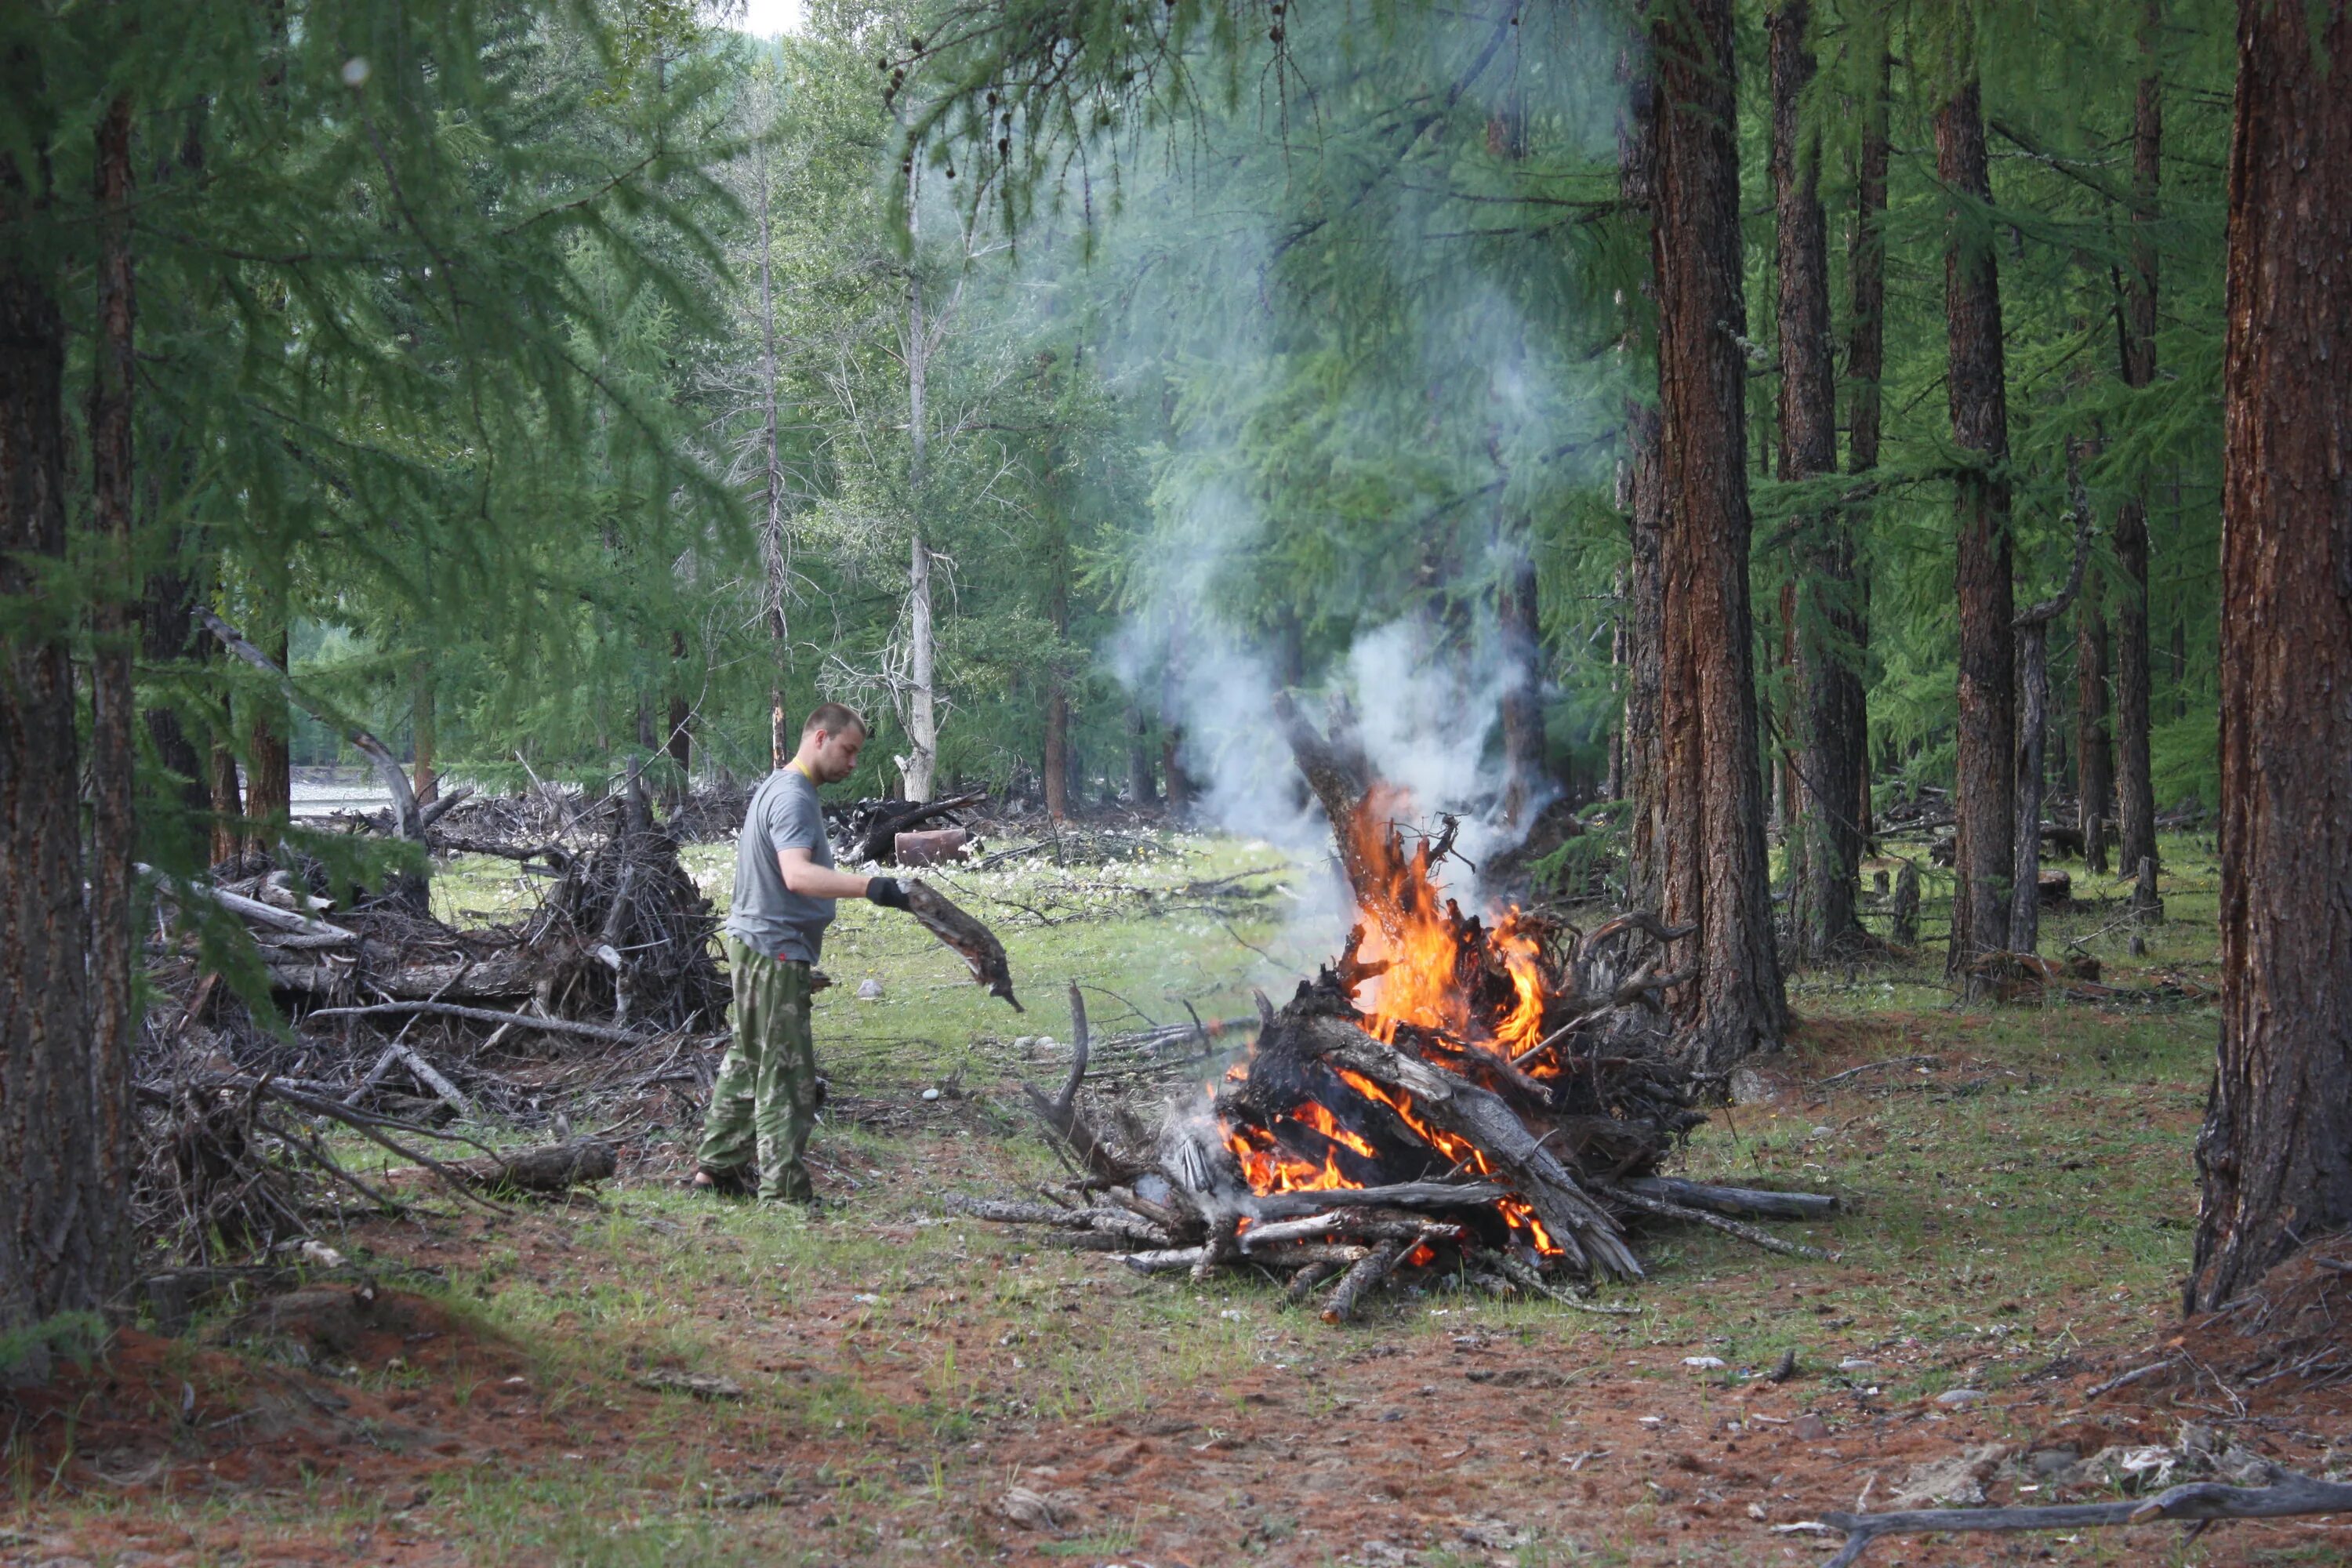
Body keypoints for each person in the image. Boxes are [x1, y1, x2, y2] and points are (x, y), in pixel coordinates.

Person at [694, 702, 911, 1203]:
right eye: (848, 750)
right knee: (786, 1073)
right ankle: (785, 1193)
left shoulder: (780, 786)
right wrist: (873, 887)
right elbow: (798, 875)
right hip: (775, 950)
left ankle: (715, 1171)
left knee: (749, 1059)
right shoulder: (792, 797)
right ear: (819, 738)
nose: (853, 763)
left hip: (753, 942)